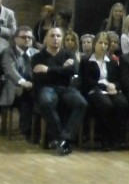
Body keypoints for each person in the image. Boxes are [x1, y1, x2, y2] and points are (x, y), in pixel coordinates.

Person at [32, 27, 88, 155]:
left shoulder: (69, 54)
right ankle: (60, 138)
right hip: (47, 87)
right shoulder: (37, 57)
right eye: (52, 36)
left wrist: (48, 70)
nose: (55, 38)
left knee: (81, 103)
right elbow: (38, 77)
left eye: (58, 36)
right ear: (46, 39)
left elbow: (73, 71)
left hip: (66, 88)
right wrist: (62, 69)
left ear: (61, 39)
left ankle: (64, 138)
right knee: (46, 102)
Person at [79, 32, 129, 149]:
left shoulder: (112, 62)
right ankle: (104, 138)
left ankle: (116, 138)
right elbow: (86, 81)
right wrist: (105, 87)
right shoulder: (86, 61)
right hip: (94, 90)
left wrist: (114, 86)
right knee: (106, 104)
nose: (103, 46)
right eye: (100, 43)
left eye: (106, 43)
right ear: (94, 44)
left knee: (122, 103)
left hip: (110, 89)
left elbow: (118, 80)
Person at [0, 25, 37, 140]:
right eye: (23, 37)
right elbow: (9, 70)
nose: (27, 40)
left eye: (29, 37)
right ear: (16, 39)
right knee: (27, 94)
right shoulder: (8, 52)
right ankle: (28, 130)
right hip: (14, 87)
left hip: (34, 88)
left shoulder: (36, 53)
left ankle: (39, 130)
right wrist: (22, 82)